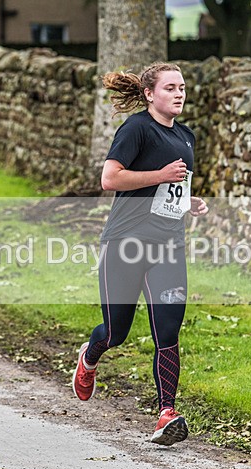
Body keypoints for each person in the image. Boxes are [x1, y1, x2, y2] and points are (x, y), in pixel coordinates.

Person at [71, 62, 208, 446]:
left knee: (168, 331)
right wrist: (160, 175)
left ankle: (167, 413)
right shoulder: (136, 129)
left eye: (181, 87)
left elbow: (167, 195)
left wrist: (188, 202)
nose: (178, 93)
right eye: (169, 88)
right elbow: (110, 178)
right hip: (126, 243)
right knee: (116, 331)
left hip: (168, 246)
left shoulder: (186, 136)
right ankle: (90, 356)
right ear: (150, 94)